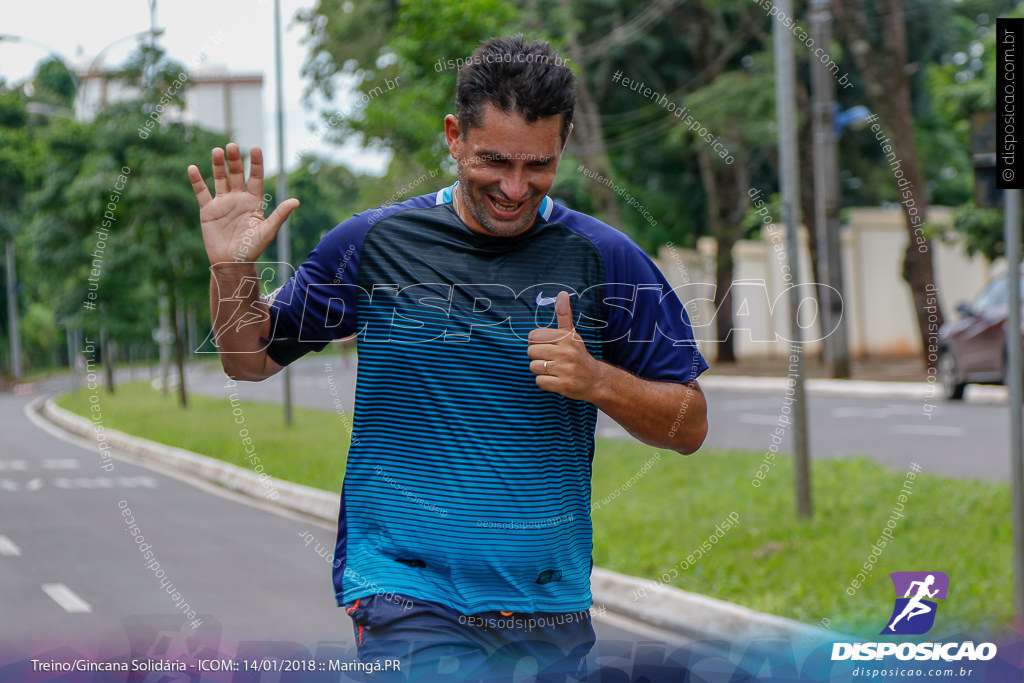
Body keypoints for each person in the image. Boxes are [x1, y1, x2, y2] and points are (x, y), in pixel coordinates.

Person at [188, 35, 708, 682]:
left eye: (537, 165)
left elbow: (689, 424)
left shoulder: (605, 258)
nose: (515, 188)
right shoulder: (374, 242)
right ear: (454, 136)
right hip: (404, 589)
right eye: (494, 160)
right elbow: (249, 359)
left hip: (547, 599)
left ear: (563, 145)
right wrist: (233, 268)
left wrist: (598, 379)